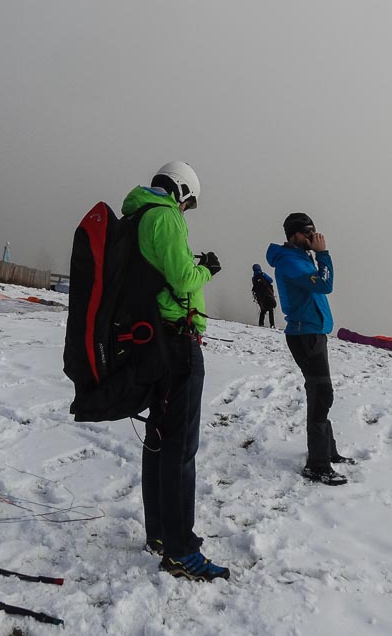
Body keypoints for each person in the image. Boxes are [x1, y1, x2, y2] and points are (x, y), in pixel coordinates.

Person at [124, 161, 229, 582]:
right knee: (180, 447)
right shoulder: (165, 216)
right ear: (181, 191)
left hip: (151, 341)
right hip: (176, 342)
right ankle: (181, 550)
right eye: (189, 202)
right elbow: (184, 279)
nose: (187, 210)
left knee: (158, 439)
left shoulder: (137, 215)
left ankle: (161, 534)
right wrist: (208, 270)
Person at [266, 212, 352, 486]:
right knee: (321, 393)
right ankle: (317, 465)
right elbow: (324, 285)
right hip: (305, 335)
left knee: (322, 392)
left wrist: (316, 255)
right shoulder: (290, 262)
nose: (313, 236)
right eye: (307, 232)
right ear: (293, 235)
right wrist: (323, 254)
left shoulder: (301, 257)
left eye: (313, 231)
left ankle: (327, 451)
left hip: (313, 332)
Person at [251, 263, 277, 328]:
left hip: (260, 297)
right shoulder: (263, 274)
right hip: (268, 295)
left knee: (263, 310)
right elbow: (271, 280)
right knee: (270, 310)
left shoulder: (254, 278)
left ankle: (261, 324)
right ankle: (272, 325)